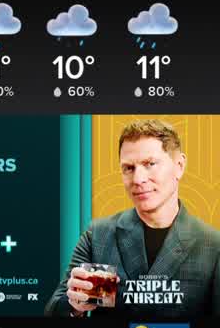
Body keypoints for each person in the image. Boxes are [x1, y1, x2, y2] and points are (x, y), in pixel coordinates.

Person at [46, 119, 219, 317]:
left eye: (150, 164)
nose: (138, 179)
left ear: (179, 165)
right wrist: (74, 306)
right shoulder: (97, 235)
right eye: (129, 168)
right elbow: (53, 312)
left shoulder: (213, 245)